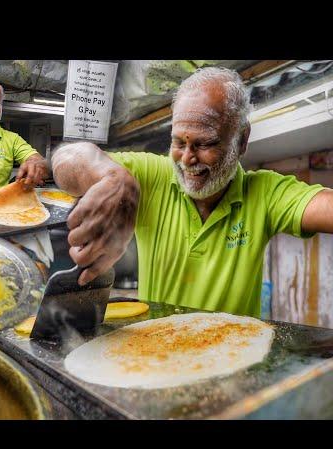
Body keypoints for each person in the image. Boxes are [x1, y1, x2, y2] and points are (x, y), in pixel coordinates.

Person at [50, 67, 333, 317]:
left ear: (242, 140)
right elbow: (66, 159)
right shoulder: (152, 175)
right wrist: (113, 178)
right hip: (154, 359)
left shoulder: (265, 193)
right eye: (178, 142)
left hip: (232, 368)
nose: (186, 158)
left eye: (205, 143)